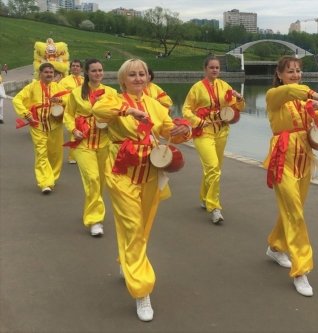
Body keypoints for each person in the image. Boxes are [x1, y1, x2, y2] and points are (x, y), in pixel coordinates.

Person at [92, 59, 191, 322]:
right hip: (121, 170)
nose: (138, 78)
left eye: (142, 74)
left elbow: (167, 129)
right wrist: (127, 111)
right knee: (133, 225)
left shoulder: (155, 105)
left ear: (148, 78)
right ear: (123, 79)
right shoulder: (112, 98)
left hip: (149, 171)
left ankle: (128, 263)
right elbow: (98, 110)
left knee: (143, 225)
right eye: (132, 75)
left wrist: (183, 130)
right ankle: (142, 289)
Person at [263, 55, 318, 297]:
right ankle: (301, 269)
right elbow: (292, 91)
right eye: (290, 71)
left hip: (304, 162)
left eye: (298, 70)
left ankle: (275, 246)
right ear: (279, 74)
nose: (295, 74)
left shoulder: (306, 104)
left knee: (293, 210)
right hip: (282, 161)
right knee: (294, 212)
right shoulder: (274, 97)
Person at [182, 55, 245, 224]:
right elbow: (186, 110)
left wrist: (239, 99)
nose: (215, 70)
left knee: (214, 168)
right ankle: (214, 207)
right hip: (203, 132)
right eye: (211, 67)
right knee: (213, 168)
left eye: (217, 67)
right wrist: (198, 121)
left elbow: (236, 109)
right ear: (205, 69)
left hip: (222, 131)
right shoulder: (196, 88)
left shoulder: (225, 86)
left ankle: (204, 196)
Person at [63, 59, 117, 237]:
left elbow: (118, 115)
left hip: (104, 142)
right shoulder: (77, 93)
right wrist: (73, 129)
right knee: (92, 178)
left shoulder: (111, 92)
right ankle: (95, 220)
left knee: (100, 182)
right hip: (83, 143)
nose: (98, 73)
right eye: (94, 71)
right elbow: (68, 114)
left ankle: (91, 208)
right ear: (87, 72)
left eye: (100, 70)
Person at [13, 62, 68, 194]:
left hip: (55, 125)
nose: (49, 74)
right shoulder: (32, 87)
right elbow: (17, 100)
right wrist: (26, 114)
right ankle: (45, 182)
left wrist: (60, 101)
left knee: (55, 154)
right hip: (37, 125)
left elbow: (68, 99)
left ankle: (52, 177)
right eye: (46, 72)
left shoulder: (57, 86)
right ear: (40, 73)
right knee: (41, 153)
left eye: (51, 72)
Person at [60, 59, 84, 164]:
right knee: (74, 131)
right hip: (71, 109)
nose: (75, 67)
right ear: (70, 68)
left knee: (83, 131)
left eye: (77, 66)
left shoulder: (85, 80)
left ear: (81, 68)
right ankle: (72, 156)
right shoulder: (64, 81)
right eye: (73, 66)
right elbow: (59, 94)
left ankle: (81, 155)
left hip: (83, 109)